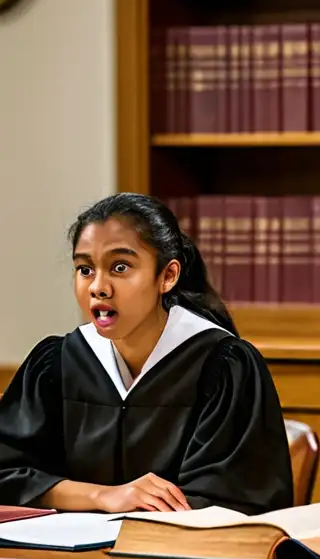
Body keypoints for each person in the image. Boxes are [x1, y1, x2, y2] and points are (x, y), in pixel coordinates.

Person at [0, 193, 293, 515]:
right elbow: (8, 473)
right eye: (85, 269)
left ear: (167, 276)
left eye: (120, 267)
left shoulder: (222, 366)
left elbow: (233, 498)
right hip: (62, 557)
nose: (98, 286)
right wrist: (102, 496)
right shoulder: (57, 362)